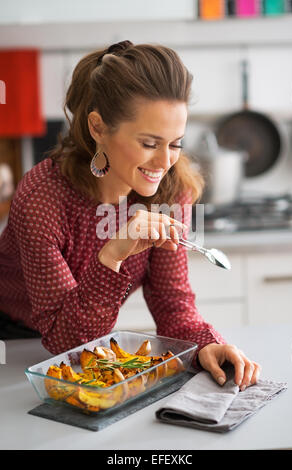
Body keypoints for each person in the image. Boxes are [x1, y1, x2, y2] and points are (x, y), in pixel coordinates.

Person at [0, 40, 261, 390]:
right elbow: (66, 342)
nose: (164, 162)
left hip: (82, 347)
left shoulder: (171, 188)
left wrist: (206, 344)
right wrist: (113, 254)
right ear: (98, 128)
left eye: (176, 143)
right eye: (149, 144)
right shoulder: (43, 198)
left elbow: (171, 301)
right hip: (13, 343)